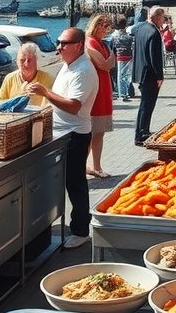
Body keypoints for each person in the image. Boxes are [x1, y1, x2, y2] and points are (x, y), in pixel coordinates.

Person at [26, 27, 98, 249]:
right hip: (61, 132)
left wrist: (45, 93)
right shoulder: (69, 66)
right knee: (65, 181)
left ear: (77, 46)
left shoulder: (83, 70)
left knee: (75, 183)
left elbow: (74, 106)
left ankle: (80, 230)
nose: (58, 47)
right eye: (58, 42)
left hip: (75, 133)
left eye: (63, 44)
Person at [84, 15, 115, 179]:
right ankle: (92, 166)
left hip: (103, 90)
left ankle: (94, 165)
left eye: (107, 27)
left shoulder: (101, 43)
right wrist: (110, 59)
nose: (105, 30)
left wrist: (109, 60)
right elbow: (104, 64)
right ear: (95, 26)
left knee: (98, 131)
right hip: (96, 92)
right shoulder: (90, 42)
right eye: (102, 26)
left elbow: (108, 63)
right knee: (94, 131)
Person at [132, 6, 166, 146]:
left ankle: (141, 131)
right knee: (148, 105)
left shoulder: (140, 29)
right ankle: (142, 133)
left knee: (144, 105)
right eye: (162, 17)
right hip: (150, 74)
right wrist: (159, 76)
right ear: (157, 17)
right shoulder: (153, 32)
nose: (163, 20)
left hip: (141, 72)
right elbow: (155, 57)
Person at [111, 16, 134, 101]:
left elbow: (112, 47)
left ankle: (122, 93)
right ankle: (126, 92)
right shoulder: (129, 36)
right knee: (126, 75)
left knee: (120, 75)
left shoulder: (113, 35)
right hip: (128, 56)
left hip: (119, 56)